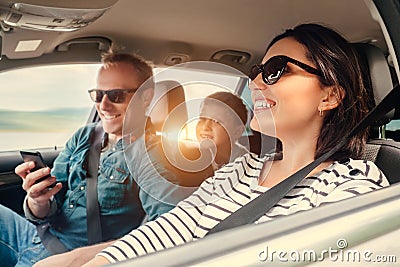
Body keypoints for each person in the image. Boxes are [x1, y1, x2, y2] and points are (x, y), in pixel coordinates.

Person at [44, 23, 391, 266]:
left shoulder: (353, 186)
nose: (255, 82)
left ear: (330, 95)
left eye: (275, 70)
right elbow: (172, 228)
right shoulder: (243, 170)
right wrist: (98, 261)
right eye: (256, 71)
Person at [1, 51, 191, 266]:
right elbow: (51, 205)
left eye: (116, 95)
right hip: (37, 238)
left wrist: (73, 260)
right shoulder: (85, 136)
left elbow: (170, 229)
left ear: (145, 96)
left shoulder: (152, 155)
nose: (104, 106)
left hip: (79, 258)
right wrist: (37, 200)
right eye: (98, 95)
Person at [195, 91, 249, 170]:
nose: (205, 127)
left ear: (237, 132)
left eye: (216, 121)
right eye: (202, 118)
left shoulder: (243, 164)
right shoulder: (198, 156)